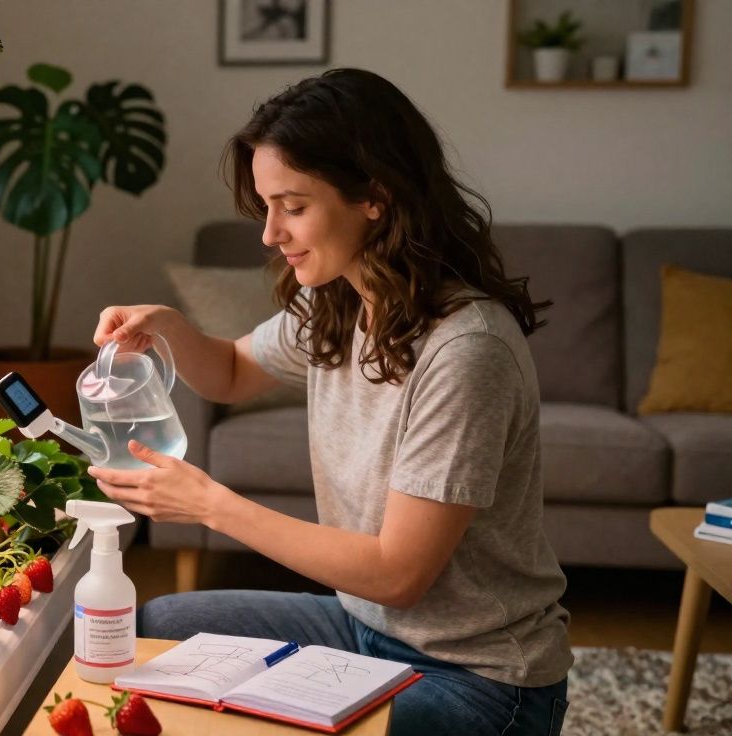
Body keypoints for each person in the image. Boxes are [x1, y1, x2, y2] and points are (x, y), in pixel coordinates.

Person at [87, 68, 572, 736]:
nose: (270, 233)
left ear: (375, 197)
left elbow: (398, 574)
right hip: (363, 627)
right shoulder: (337, 302)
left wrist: (208, 505)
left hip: (478, 678)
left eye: (292, 206)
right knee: (153, 628)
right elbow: (230, 372)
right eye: (266, 207)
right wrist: (167, 325)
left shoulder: (466, 349)